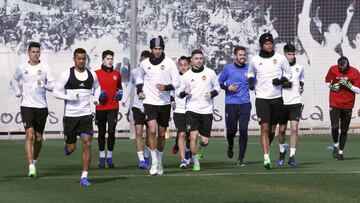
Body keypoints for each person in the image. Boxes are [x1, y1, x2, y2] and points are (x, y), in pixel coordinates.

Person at [53, 48, 100, 186]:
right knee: (71, 148)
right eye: (79, 58)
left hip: (85, 116)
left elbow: (97, 87)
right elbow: (55, 92)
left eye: (83, 58)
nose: (81, 61)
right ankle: (67, 147)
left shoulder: (92, 74)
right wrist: (69, 97)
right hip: (70, 117)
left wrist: (96, 99)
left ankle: (84, 177)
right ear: (74, 59)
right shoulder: (66, 74)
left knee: (87, 142)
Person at [247, 33, 292, 169]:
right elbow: (250, 72)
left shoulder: (280, 58)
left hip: (277, 98)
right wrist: (250, 80)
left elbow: (289, 74)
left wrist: (281, 80)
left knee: (272, 130)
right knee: (264, 127)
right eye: (266, 43)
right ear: (261, 45)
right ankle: (266, 156)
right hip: (261, 98)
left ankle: (267, 146)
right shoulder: (255, 60)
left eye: (271, 43)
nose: (269, 45)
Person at [136, 36, 179, 175]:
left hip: (164, 103)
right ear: (151, 49)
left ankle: (159, 160)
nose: (157, 51)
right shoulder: (144, 64)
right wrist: (139, 91)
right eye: (155, 48)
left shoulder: (170, 63)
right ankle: (154, 162)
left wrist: (166, 87)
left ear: (163, 49)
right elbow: (139, 77)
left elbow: (177, 82)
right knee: (152, 131)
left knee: (161, 134)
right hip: (149, 102)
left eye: (160, 49)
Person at [11, 42, 55, 177]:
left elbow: (53, 86)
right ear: (28, 53)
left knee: (39, 138)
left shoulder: (46, 67)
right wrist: (17, 90)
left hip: (41, 107)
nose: (35, 54)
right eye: (33, 51)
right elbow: (14, 80)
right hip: (27, 105)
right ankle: (30, 166)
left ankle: (34, 162)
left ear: (40, 53)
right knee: (29, 134)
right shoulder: (22, 67)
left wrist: (44, 85)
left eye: (37, 51)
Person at [179, 49, 220, 171]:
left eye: (200, 58)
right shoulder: (186, 76)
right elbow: (179, 94)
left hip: (207, 110)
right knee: (193, 135)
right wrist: (184, 93)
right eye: (196, 58)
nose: (198, 60)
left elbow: (218, 88)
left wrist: (212, 94)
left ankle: (201, 147)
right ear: (191, 60)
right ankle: (196, 162)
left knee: (205, 141)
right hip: (191, 109)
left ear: (203, 60)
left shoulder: (210, 73)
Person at [218, 46, 251, 167]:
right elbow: (220, 83)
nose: (242, 57)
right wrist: (228, 88)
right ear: (235, 56)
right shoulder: (228, 68)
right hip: (231, 104)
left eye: (244, 55)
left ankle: (241, 158)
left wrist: (253, 85)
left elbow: (254, 82)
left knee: (243, 130)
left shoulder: (249, 69)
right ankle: (230, 145)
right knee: (231, 131)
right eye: (240, 55)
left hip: (245, 104)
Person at [325, 56, 360, 160]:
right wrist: (332, 87)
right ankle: (335, 145)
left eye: (344, 68)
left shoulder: (354, 72)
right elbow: (327, 81)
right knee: (335, 126)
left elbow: (358, 90)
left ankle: (340, 152)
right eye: (340, 68)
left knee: (344, 130)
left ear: (347, 64)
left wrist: (348, 85)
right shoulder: (333, 69)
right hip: (335, 103)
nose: (342, 70)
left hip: (348, 105)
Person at [122, 50, 151, 170]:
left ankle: (147, 154)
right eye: (142, 60)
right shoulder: (135, 72)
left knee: (151, 133)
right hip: (137, 106)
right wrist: (124, 99)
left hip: (150, 106)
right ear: (139, 60)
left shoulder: (152, 72)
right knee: (138, 132)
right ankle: (141, 160)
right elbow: (131, 85)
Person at [277, 43, 304, 167]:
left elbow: (301, 80)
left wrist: (301, 87)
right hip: (282, 103)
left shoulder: (300, 67)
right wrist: (283, 83)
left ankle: (292, 156)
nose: (291, 56)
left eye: (293, 54)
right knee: (281, 130)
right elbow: (274, 83)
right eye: (289, 54)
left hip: (295, 102)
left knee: (294, 129)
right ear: (284, 54)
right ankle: (282, 151)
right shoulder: (279, 68)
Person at [95, 50, 122, 169]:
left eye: (111, 59)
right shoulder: (96, 74)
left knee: (111, 132)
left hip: (113, 107)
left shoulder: (117, 73)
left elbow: (119, 87)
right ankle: (101, 157)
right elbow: (92, 90)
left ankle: (109, 157)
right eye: (107, 59)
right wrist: (98, 95)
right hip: (100, 107)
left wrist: (120, 93)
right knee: (101, 132)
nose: (110, 61)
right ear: (103, 60)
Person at [172, 56, 191, 168]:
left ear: (189, 65)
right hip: (179, 110)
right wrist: (172, 100)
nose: (183, 67)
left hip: (191, 109)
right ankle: (183, 159)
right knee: (182, 133)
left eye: (185, 65)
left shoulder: (193, 76)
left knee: (192, 135)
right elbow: (171, 90)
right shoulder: (175, 77)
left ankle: (188, 151)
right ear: (178, 65)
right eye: (181, 65)